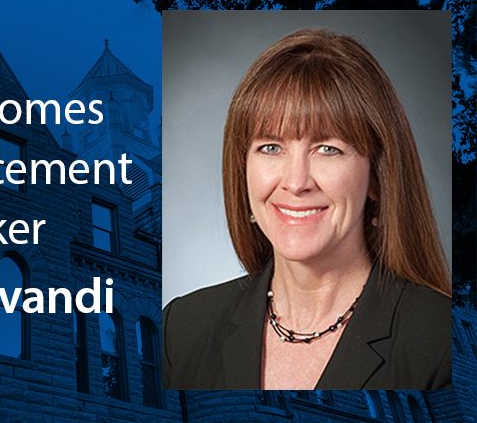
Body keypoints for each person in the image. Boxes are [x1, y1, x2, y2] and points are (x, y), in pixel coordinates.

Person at [162, 29, 451, 390]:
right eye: (271, 147)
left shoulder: (441, 342)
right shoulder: (182, 329)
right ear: (243, 169)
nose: (296, 182)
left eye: (328, 148)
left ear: (377, 176)